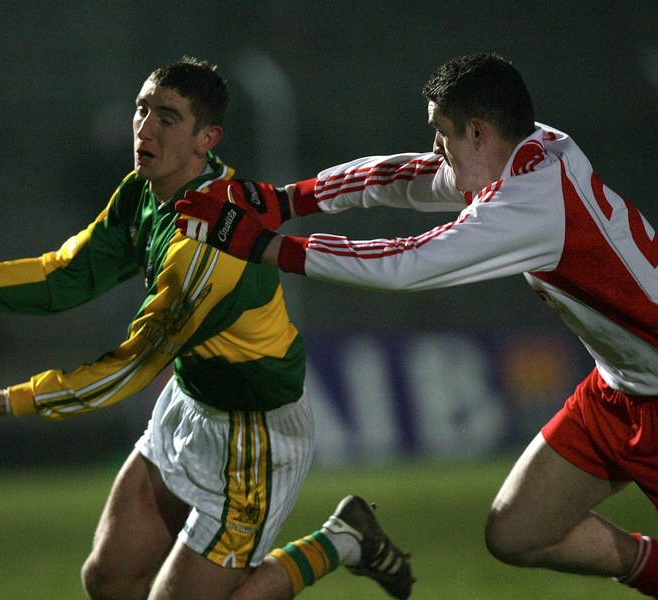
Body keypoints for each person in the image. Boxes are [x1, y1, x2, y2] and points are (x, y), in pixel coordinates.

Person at [0, 58, 415, 600]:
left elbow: (132, 367)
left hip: (253, 437)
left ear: (205, 139)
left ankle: (342, 540)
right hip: (189, 405)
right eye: (142, 110)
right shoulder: (143, 193)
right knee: (108, 579)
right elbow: (67, 275)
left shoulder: (210, 244)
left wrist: (12, 400)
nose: (144, 127)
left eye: (167, 118)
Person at [175, 52, 658, 598]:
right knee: (518, 532)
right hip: (618, 391)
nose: (435, 148)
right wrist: (288, 200)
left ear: (477, 131)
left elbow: (407, 263)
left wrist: (265, 246)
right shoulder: (531, 150)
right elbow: (409, 176)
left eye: (440, 133)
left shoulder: (531, 202)